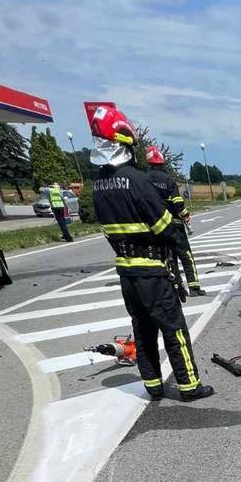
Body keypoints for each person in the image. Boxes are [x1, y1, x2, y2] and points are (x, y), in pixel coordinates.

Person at [89, 105, 212, 402]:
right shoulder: (137, 180)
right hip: (153, 271)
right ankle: (189, 386)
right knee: (174, 329)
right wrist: (177, 238)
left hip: (126, 270)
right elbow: (165, 226)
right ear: (127, 144)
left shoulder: (98, 185)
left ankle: (154, 386)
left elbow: (107, 230)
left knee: (142, 332)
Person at [145, 145, 206, 296]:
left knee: (164, 257)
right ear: (162, 162)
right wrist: (185, 214)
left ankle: (176, 286)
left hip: (155, 226)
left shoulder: (144, 180)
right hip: (174, 225)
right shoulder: (168, 179)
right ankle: (194, 287)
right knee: (185, 255)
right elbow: (177, 201)